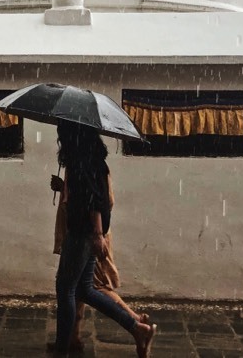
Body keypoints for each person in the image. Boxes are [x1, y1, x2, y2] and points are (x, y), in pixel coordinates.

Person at [47, 122, 156, 357]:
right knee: (85, 290)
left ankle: (62, 349)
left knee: (65, 289)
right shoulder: (95, 162)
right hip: (87, 234)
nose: (60, 140)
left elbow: (95, 201)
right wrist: (64, 187)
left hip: (81, 234)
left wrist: (97, 235)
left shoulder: (80, 163)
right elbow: (87, 195)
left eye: (62, 135)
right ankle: (137, 328)